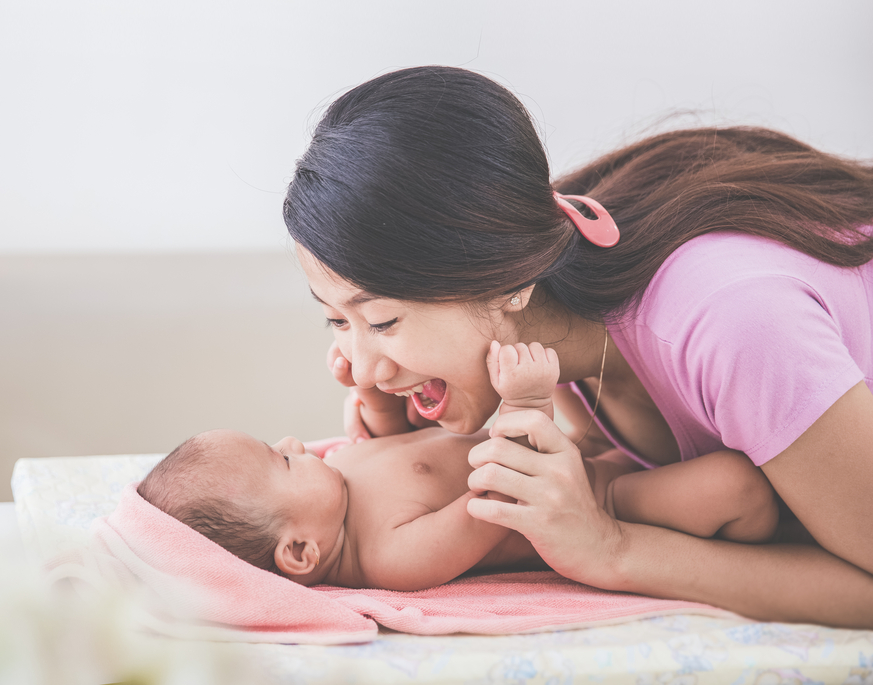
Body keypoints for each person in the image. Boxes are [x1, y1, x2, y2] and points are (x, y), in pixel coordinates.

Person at [282, 66, 873, 626]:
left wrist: (613, 550)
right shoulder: (560, 291)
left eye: (383, 321)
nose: (364, 371)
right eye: (337, 321)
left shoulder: (736, 324)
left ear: (504, 281)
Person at [137, 341, 777, 591]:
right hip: (606, 498)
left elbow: (402, 445)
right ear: (300, 552)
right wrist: (526, 404)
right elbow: (500, 501)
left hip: (583, 453)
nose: (292, 442)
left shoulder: (339, 479)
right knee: (736, 484)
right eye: (280, 460)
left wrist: (374, 398)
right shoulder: (390, 558)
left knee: (669, 412)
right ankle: (775, 536)